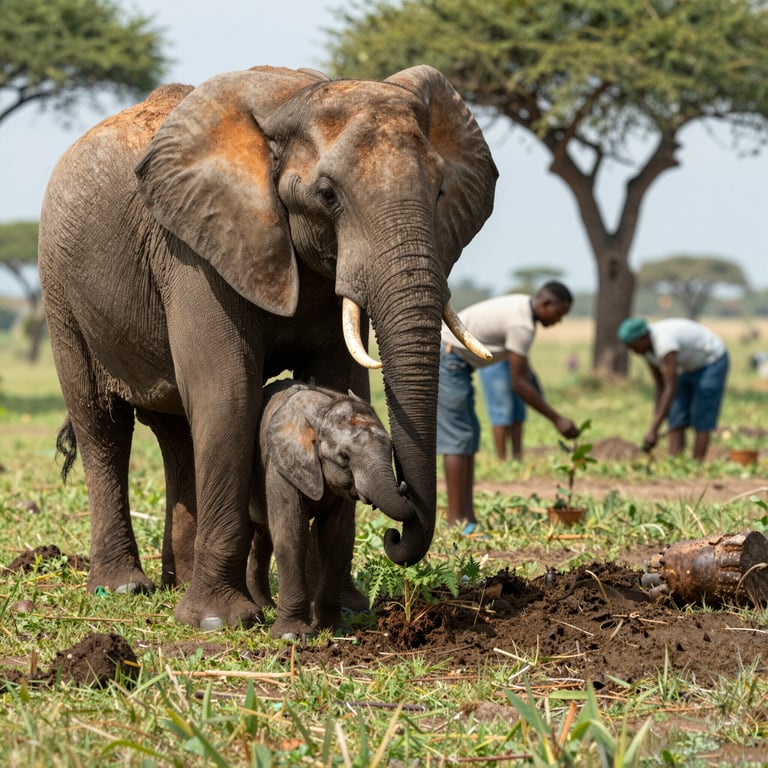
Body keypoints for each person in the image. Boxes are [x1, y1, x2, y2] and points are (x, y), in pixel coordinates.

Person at [437, 281, 580, 533]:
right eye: (558, 314)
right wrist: (557, 419)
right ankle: (456, 522)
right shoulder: (522, 325)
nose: (558, 322)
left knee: (468, 438)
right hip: (449, 358)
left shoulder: (522, 309)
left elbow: (525, 374)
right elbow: (519, 384)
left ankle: (467, 519)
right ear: (546, 304)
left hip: (457, 363)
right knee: (458, 440)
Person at [617, 317, 729, 461]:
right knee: (676, 413)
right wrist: (656, 421)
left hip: (712, 361)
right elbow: (660, 385)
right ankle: (675, 460)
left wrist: (653, 430)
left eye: (632, 345)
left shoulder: (664, 343)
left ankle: (697, 464)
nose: (631, 351)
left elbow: (671, 387)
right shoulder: (646, 350)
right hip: (689, 366)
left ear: (643, 337)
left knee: (702, 414)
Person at [478, 362, 542, 461]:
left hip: (513, 359)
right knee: (501, 413)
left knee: (518, 412)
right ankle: (501, 461)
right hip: (494, 359)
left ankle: (517, 458)